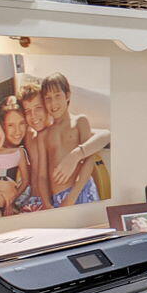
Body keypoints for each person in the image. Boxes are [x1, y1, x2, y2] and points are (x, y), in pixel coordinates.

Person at [36, 72, 110, 207]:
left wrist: (73, 195)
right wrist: (47, 204)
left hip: (82, 190)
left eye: (57, 96)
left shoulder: (80, 121)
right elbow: (42, 176)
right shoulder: (43, 136)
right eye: (48, 98)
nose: (53, 103)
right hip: (57, 198)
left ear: (68, 95)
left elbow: (89, 160)